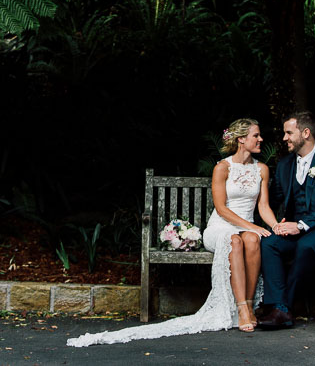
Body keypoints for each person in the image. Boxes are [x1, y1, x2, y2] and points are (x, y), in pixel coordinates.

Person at [67, 118, 276, 347]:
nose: (260, 139)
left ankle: (249, 301)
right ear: (241, 139)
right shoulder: (222, 168)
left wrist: (273, 226)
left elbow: (263, 207)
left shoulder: (261, 169)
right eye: (256, 135)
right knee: (235, 241)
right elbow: (222, 209)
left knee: (253, 241)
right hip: (222, 227)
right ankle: (242, 309)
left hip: (246, 226)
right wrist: (252, 226)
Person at [255, 111, 315, 329]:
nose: (284, 138)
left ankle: (282, 309)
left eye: (289, 133)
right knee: (269, 244)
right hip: (295, 227)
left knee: (305, 246)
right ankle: (278, 305)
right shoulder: (286, 165)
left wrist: (300, 225)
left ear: (305, 133)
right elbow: (274, 198)